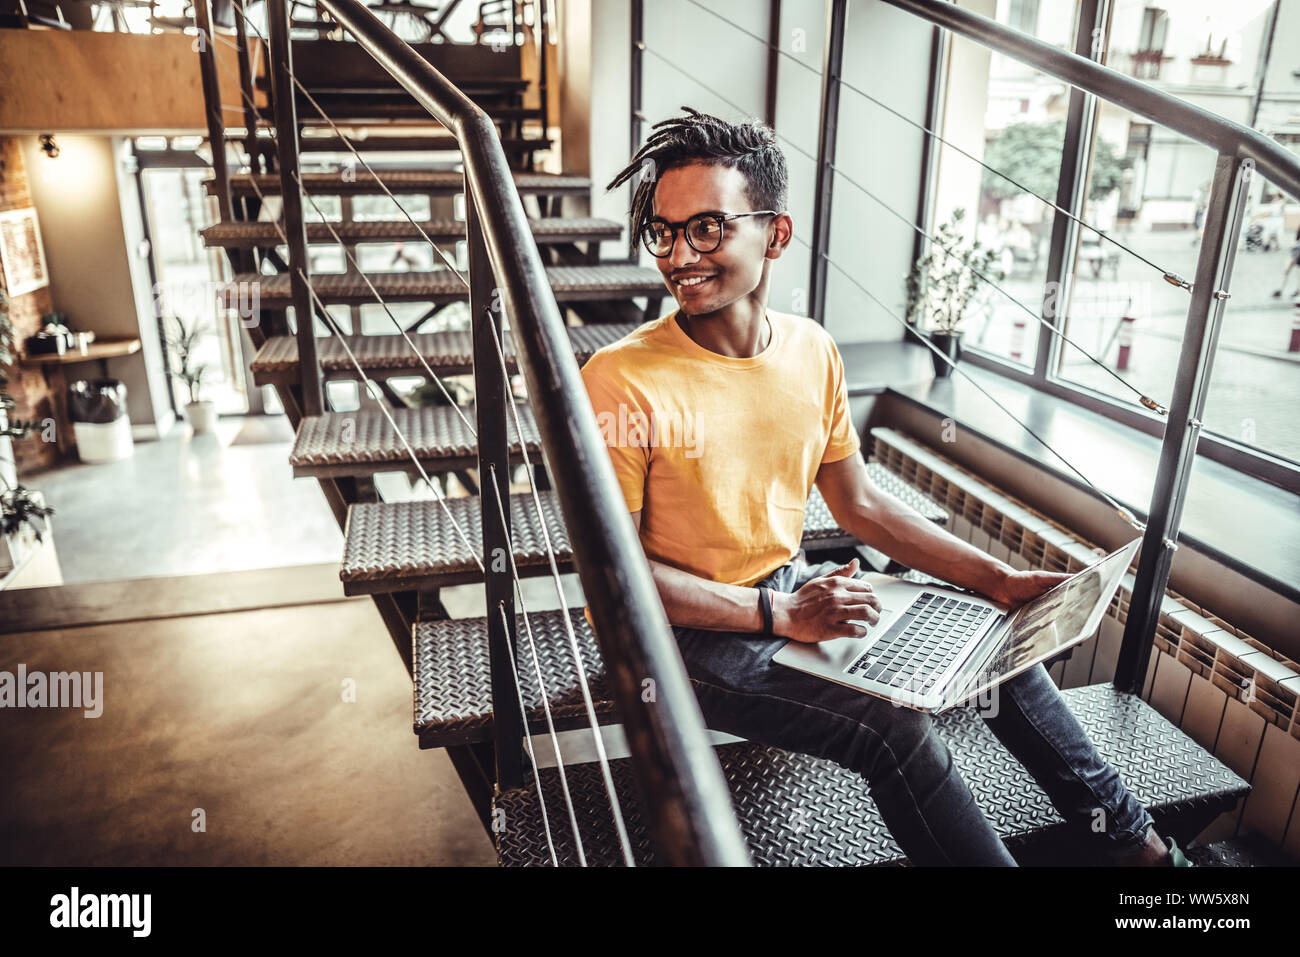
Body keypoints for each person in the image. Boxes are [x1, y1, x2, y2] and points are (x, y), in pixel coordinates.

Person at [580, 107, 1189, 867]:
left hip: (783, 589)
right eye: (664, 232)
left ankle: (1142, 851)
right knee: (892, 730)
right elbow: (614, 579)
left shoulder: (810, 350)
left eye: (706, 227)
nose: (679, 255)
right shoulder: (619, 381)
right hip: (676, 636)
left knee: (993, 640)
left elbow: (859, 504)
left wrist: (995, 579)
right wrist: (782, 612)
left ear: (775, 233)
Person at [1271, 224, 1300, 298]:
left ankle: (1282, 290)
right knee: (1294, 273)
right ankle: (1284, 290)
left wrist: (1290, 265)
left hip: (1296, 258)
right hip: (1295, 258)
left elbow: (1295, 256)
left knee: (1291, 273)